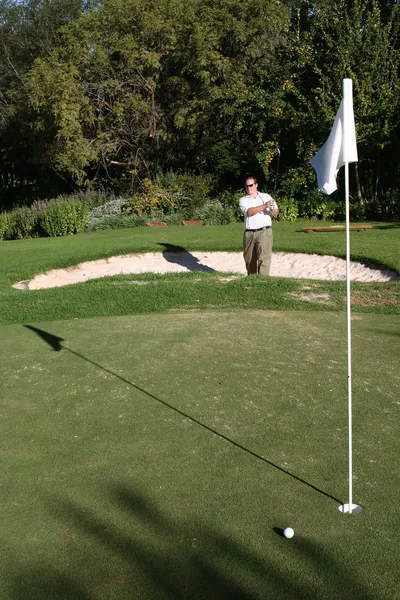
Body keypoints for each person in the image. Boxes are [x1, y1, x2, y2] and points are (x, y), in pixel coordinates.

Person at [239, 176, 279, 276]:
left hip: (264, 231)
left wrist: (272, 208)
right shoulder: (243, 200)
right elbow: (249, 212)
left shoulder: (266, 196)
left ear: (256, 185)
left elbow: (275, 213)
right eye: (247, 186)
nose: (249, 188)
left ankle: (263, 281)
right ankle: (251, 280)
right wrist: (264, 206)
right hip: (249, 233)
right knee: (249, 259)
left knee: (264, 258)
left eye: (251, 185)